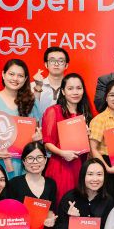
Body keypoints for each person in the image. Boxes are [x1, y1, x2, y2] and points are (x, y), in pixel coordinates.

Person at [0, 58, 42, 178]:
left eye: (20, 76)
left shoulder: (31, 103)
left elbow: (37, 132)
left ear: (25, 79)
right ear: (3, 74)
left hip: (25, 166)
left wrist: (38, 138)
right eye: (11, 74)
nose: (15, 79)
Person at [41, 72, 95, 207]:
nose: (75, 92)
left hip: (80, 166)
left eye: (79, 88)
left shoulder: (85, 114)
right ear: (63, 92)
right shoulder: (54, 111)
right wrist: (62, 153)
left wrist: (88, 137)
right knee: (61, 205)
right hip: (60, 166)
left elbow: (90, 149)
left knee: (78, 207)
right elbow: (47, 142)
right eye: (70, 88)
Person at [32, 46, 70, 116]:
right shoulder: (32, 86)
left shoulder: (72, 88)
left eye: (61, 61)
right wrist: (38, 87)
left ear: (66, 65)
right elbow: (28, 113)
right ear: (46, 64)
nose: (56, 64)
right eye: (52, 61)